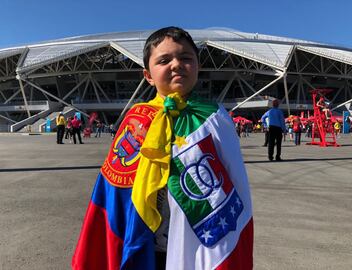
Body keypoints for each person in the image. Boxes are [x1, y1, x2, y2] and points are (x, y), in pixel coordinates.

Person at [72, 27, 253, 270]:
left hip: (198, 243)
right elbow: (113, 190)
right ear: (148, 75)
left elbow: (234, 179)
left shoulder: (215, 117)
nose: (176, 65)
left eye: (186, 58)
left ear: (198, 66)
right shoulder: (136, 119)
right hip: (145, 237)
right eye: (164, 60)